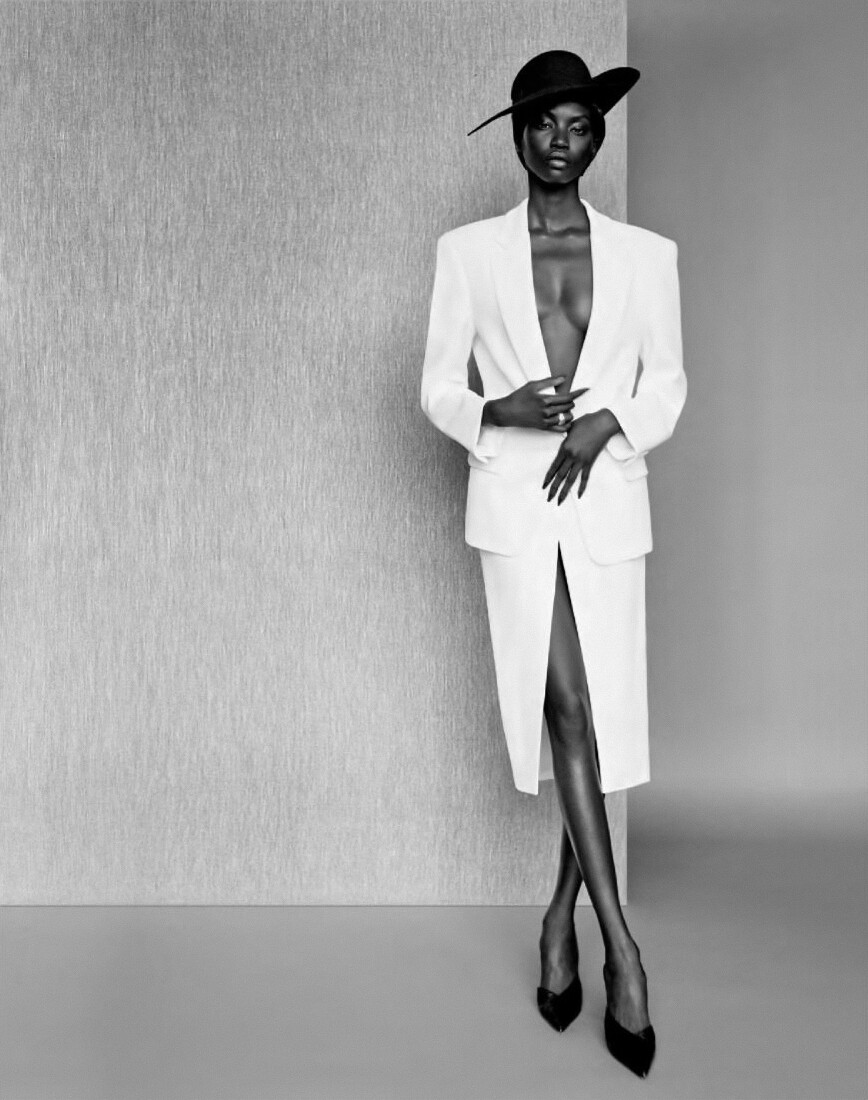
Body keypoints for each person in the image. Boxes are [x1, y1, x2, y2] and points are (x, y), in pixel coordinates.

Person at [420, 50, 686, 1078]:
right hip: (518, 509)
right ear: (520, 136)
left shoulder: (647, 257)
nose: (559, 140)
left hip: (605, 500)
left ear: (596, 136)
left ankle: (557, 921)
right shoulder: (467, 253)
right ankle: (623, 951)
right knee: (569, 710)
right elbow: (437, 388)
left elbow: (666, 386)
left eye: (577, 124)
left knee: (597, 720)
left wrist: (603, 423)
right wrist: (500, 407)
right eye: (542, 123)